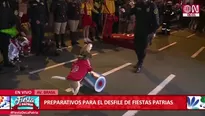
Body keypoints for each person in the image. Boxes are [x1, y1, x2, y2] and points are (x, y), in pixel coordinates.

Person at [129, 0, 159, 73]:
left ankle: (140, 63)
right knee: (136, 47)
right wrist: (131, 6)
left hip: (147, 32)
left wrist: (153, 32)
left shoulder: (152, 6)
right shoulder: (138, 4)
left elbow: (156, 20)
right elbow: (131, 13)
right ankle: (139, 60)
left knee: (142, 49)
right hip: (138, 29)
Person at [0, 0, 17, 69]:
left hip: (7, 27)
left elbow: (11, 14)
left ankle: (6, 62)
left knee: (5, 45)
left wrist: (13, 22)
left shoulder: (9, 3)